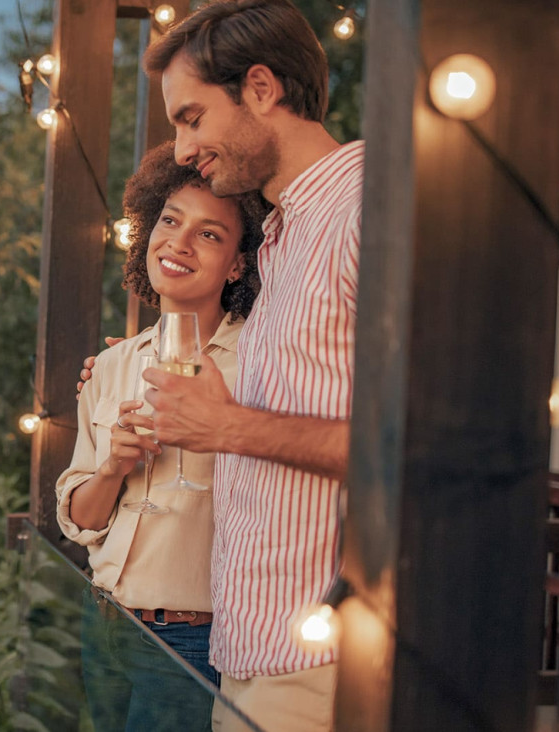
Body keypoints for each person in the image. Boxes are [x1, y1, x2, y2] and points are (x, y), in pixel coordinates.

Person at [137, 2, 365, 730]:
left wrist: (229, 426)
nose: (182, 149)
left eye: (192, 118)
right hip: (251, 652)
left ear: (261, 88)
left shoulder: (365, 209)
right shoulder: (283, 235)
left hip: (322, 663)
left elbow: (427, 444)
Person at [56, 140, 266, 732]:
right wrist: (112, 468)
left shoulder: (261, 364)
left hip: (189, 642)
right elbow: (81, 518)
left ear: (238, 264)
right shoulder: (112, 365)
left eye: (209, 234)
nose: (178, 242)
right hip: (103, 622)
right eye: (170, 221)